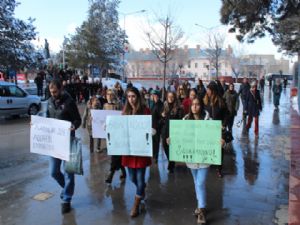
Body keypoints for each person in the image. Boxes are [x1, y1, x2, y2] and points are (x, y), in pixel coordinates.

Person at [47, 80, 81, 214]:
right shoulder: (49, 102)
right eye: (51, 92)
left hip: (68, 141)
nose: (53, 94)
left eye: (55, 91)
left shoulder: (69, 102)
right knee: (53, 172)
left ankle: (67, 199)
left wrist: (74, 125)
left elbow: (78, 119)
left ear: (61, 89)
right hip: (54, 142)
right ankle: (67, 188)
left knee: (69, 172)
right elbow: (47, 118)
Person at [121, 87, 152, 217]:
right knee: (133, 178)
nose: (131, 99)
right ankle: (141, 191)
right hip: (128, 151)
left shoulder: (145, 111)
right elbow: (120, 127)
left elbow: (150, 126)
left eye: (133, 96)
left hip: (140, 151)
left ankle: (136, 204)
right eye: (129, 97)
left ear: (138, 97)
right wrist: (110, 127)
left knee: (139, 179)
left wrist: (151, 131)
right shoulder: (125, 111)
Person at [182, 97, 211, 224]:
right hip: (192, 158)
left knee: (200, 183)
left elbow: (216, 136)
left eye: (197, 104)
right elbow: (181, 136)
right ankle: (200, 205)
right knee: (197, 182)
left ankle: (202, 211)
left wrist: (221, 141)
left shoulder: (209, 120)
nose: (195, 107)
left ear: (201, 106)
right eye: (193, 104)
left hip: (205, 158)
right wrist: (172, 140)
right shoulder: (185, 120)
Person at [203, 81, 227, 177]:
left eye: (209, 89)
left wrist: (224, 124)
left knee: (219, 149)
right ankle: (208, 164)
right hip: (207, 129)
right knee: (208, 147)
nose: (207, 91)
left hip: (218, 129)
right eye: (207, 89)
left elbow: (226, 115)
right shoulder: (204, 101)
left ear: (213, 91)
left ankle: (219, 169)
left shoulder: (220, 101)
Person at [104, 89, 126, 184]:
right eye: (108, 94)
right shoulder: (105, 105)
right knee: (116, 154)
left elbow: (123, 116)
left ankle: (111, 173)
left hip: (118, 132)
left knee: (115, 153)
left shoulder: (119, 105)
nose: (109, 96)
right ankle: (123, 170)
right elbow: (102, 117)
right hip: (109, 133)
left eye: (111, 94)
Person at [160, 91, 184, 173]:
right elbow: (161, 120)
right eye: (169, 96)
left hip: (174, 130)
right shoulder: (164, 106)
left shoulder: (178, 107)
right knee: (165, 146)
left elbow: (180, 120)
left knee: (172, 147)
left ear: (174, 97)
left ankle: (171, 163)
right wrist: (162, 116)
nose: (170, 98)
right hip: (165, 130)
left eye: (172, 96)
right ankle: (171, 160)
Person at [150, 89, 163, 163]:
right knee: (153, 142)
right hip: (152, 126)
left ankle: (156, 157)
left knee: (156, 142)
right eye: (152, 95)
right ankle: (154, 155)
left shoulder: (160, 104)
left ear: (157, 96)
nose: (152, 96)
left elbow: (161, 117)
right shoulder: (153, 103)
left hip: (156, 127)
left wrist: (158, 124)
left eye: (154, 95)